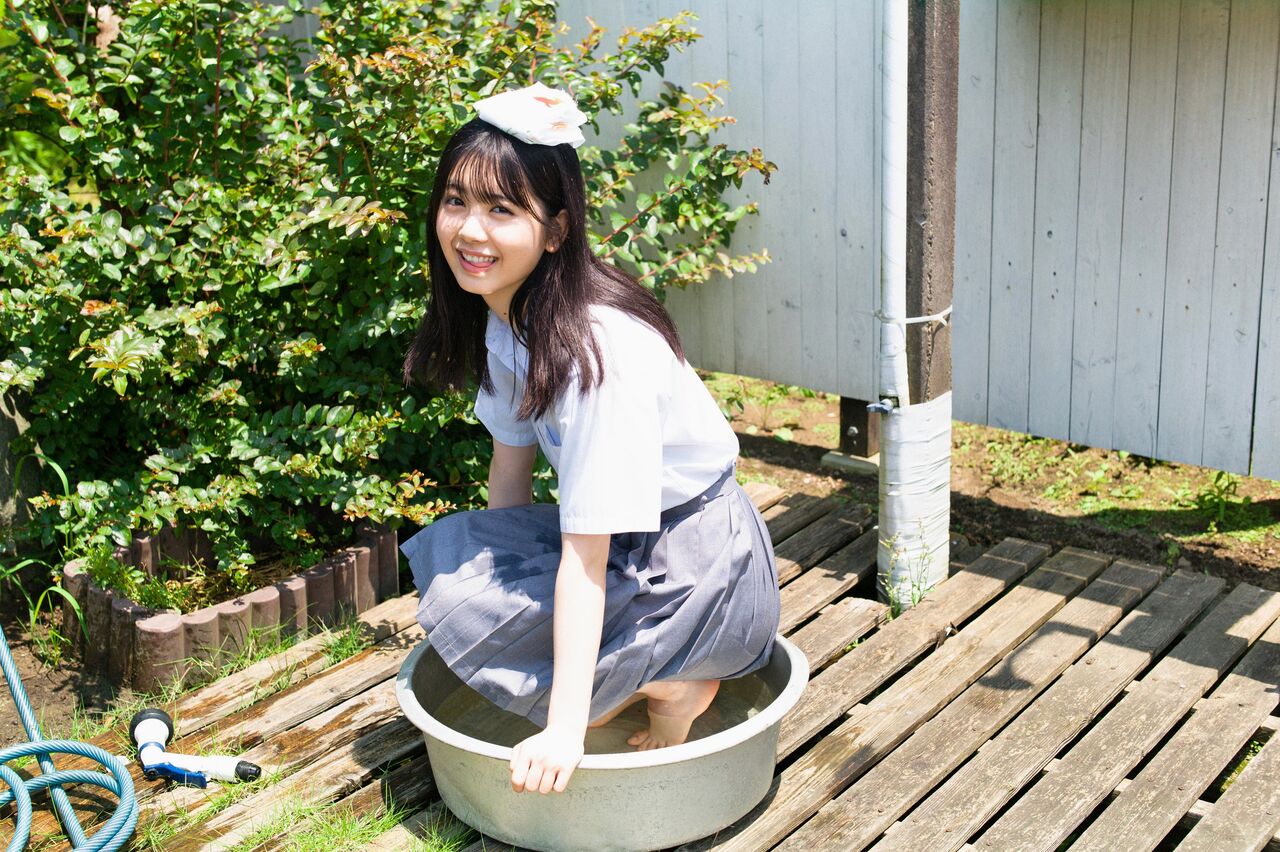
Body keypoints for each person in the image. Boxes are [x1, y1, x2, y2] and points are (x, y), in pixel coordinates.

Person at [400, 83, 780, 797]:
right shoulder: (508, 314)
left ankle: (677, 683)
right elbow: (510, 472)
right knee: (464, 591)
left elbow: (586, 556)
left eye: (501, 210)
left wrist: (565, 728)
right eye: (456, 201)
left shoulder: (595, 356)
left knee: (556, 686)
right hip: (628, 546)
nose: (470, 231)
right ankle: (637, 676)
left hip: (696, 565)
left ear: (556, 230)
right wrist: (505, 590)